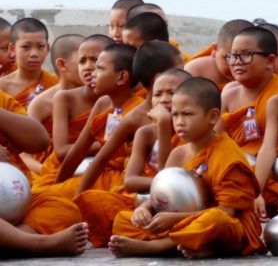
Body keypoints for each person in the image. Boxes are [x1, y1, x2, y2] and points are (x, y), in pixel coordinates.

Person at [109, 77, 266, 258]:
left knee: (216, 222)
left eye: (188, 114)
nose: (179, 122)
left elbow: (227, 212)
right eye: (175, 115)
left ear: (213, 116)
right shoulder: (178, 154)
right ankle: (198, 246)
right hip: (185, 220)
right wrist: (144, 208)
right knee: (123, 220)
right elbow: (163, 194)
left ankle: (155, 247)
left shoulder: (228, 155)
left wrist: (174, 218)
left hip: (228, 225)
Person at [73, 68, 191, 247]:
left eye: (172, 93)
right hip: (146, 199)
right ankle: (172, 237)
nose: (163, 99)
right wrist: (146, 201)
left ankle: (162, 242)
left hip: (185, 203)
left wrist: (165, 127)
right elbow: (130, 182)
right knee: (94, 203)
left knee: (208, 221)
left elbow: (170, 182)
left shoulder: (194, 134)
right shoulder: (145, 133)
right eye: (158, 94)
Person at [74, 40, 184, 195]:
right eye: (180, 69)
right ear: (158, 79)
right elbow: (100, 160)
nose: (187, 75)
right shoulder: (139, 123)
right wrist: (78, 199)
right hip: (141, 191)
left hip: (177, 196)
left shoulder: (193, 120)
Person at [0, 89, 88, 257]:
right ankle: (38, 244)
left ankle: (11, 241)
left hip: (17, 200)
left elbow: (39, 141)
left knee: (64, 209)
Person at [214, 26, 278, 220]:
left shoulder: (276, 97)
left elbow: (268, 149)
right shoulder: (228, 93)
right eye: (233, 56)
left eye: (246, 55)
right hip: (235, 172)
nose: (237, 63)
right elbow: (214, 142)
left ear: (270, 61)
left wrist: (255, 191)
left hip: (268, 176)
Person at [32, 34, 114, 189]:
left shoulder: (123, 100)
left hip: (107, 169)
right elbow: (61, 151)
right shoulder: (64, 99)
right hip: (66, 168)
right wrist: (110, 144)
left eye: (96, 61)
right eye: (82, 61)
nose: (88, 66)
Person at [21, 34, 84, 175]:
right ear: (62, 64)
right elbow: (25, 155)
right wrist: (49, 174)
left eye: (95, 61)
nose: (90, 68)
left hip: (90, 167)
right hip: (50, 171)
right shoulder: (41, 104)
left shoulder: (100, 98)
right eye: (82, 61)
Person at [0, 17, 58, 108]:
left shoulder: (56, 84)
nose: (34, 54)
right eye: (26, 47)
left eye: (40, 47)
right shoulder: (2, 86)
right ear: (12, 49)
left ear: (47, 49)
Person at [184, 19, 253, 88]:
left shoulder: (260, 74)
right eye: (229, 58)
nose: (237, 66)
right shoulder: (196, 70)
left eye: (246, 57)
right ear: (214, 49)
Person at [126, 2, 192, 63]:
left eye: (164, 25)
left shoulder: (183, 61)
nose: (161, 30)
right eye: (153, 26)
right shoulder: (121, 60)